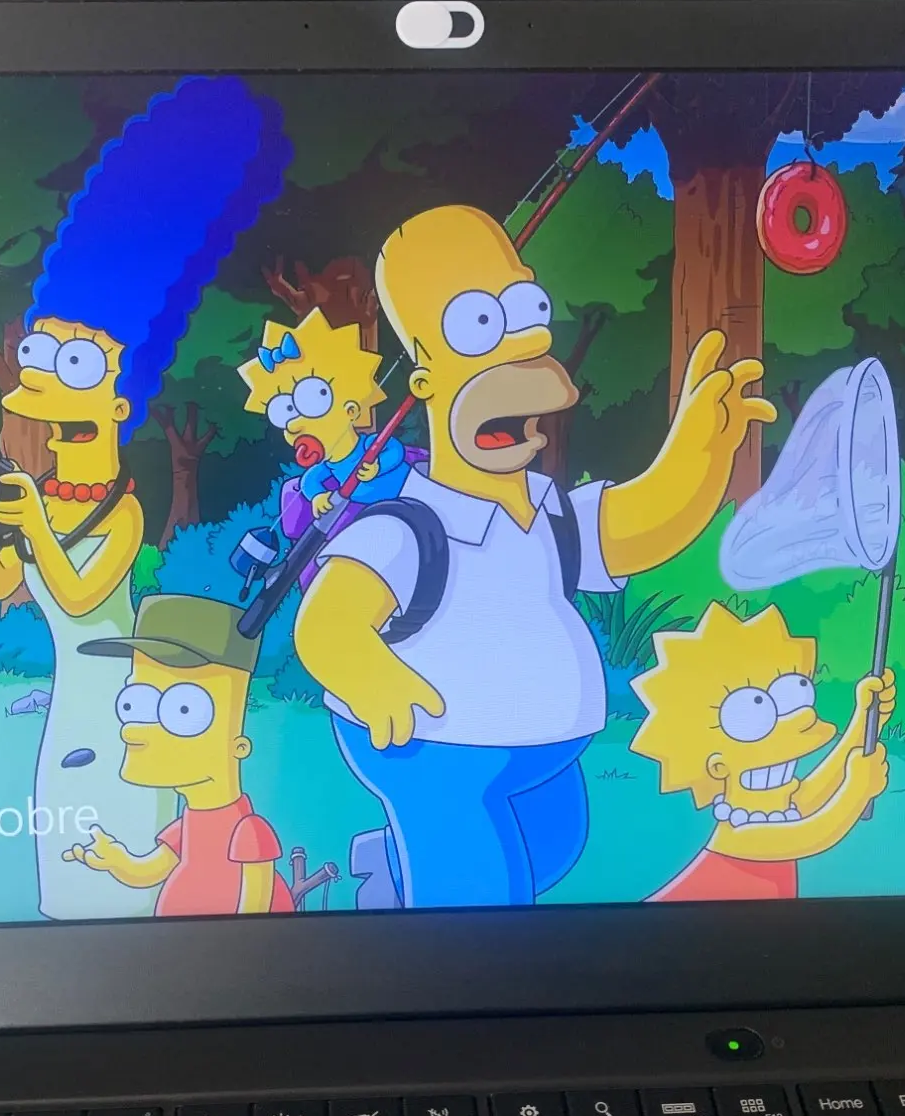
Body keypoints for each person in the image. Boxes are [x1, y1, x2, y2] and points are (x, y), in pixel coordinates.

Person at [292, 203, 775, 908]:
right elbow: (327, 620)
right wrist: (372, 680)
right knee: (480, 892)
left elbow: (640, 526)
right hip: (434, 748)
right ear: (424, 385)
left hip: (544, 747)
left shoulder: (550, 513)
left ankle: (388, 872)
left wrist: (701, 450)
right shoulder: (409, 529)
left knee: (557, 843)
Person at [0, 75, 289, 921]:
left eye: (73, 364)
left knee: (134, 861)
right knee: (68, 868)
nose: (43, 385)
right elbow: (5, 585)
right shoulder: (43, 496)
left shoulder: (121, 510)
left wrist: (34, 524)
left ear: (113, 404)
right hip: (70, 702)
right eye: (40, 357)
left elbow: (79, 596)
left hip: (123, 696)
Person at [629, 602, 894, 901]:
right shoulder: (740, 833)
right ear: (717, 766)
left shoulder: (778, 807)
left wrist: (866, 718)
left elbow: (816, 790)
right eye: (755, 712)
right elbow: (814, 834)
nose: (802, 718)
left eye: (796, 692)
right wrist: (858, 790)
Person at [62, 595, 295, 917]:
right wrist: (116, 860)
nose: (131, 731)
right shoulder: (187, 826)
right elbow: (147, 872)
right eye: (133, 704)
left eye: (183, 709)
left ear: (239, 746)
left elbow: (256, 909)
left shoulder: (248, 830)